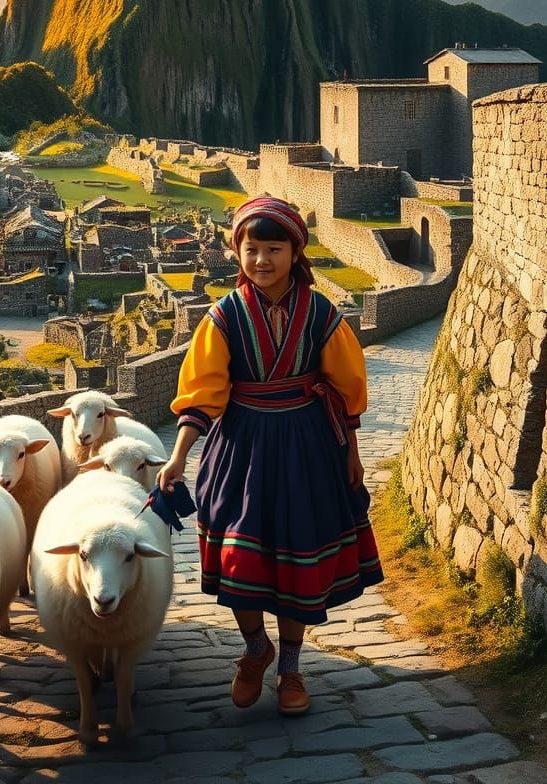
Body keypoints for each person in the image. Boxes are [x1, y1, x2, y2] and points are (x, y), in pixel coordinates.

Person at [157, 195, 382, 716]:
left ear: (294, 251)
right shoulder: (223, 318)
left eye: (273, 249)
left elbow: (345, 387)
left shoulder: (322, 313)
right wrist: (178, 457)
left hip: (309, 448)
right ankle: (256, 649)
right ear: (237, 251)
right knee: (243, 558)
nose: (261, 260)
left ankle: (291, 667)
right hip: (241, 448)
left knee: (297, 558)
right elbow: (201, 395)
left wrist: (351, 452)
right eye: (251, 248)